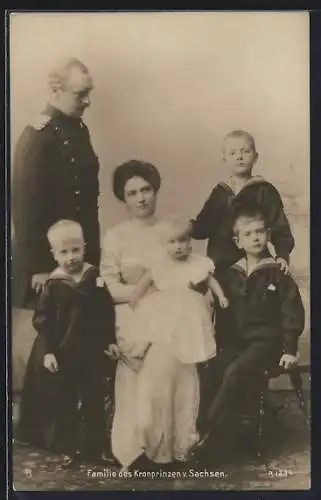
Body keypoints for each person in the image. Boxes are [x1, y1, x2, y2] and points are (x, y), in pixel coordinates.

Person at [101, 160, 201, 471]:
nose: (141, 198)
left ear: (156, 191)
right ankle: (138, 447)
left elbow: (189, 272)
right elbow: (109, 286)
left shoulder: (170, 230)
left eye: (146, 190)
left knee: (170, 356)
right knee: (140, 355)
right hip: (129, 312)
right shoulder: (116, 236)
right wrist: (137, 293)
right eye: (132, 193)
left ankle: (173, 446)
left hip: (168, 312)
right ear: (123, 197)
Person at [190, 204, 305, 465]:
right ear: (237, 241)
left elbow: (291, 313)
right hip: (235, 343)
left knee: (236, 371)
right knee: (211, 368)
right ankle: (203, 430)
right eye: (248, 233)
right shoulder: (231, 274)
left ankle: (212, 436)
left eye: (260, 232)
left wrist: (289, 348)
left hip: (266, 344)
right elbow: (218, 305)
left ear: (267, 235)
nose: (255, 237)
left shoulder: (278, 272)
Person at [11, 58, 100, 392]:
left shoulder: (79, 129)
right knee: (50, 337)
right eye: (81, 94)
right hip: (50, 256)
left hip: (79, 248)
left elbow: (87, 199)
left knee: (77, 332)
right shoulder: (38, 136)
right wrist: (36, 266)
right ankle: (43, 421)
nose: (87, 101)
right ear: (55, 90)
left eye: (90, 92)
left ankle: (73, 418)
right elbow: (25, 207)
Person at [15, 220, 117, 468]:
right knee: (67, 401)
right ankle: (71, 448)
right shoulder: (54, 285)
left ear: (84, 247)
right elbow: (43, 321)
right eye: (63, 252)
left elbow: (105, 312)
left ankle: (97, 447)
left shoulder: (95, 278)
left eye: (75, 250)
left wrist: (110, 341)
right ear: (53, 254)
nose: (70, 257)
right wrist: (49, 351)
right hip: (65, 352)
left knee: (94, 399)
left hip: (92, 352)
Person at [125, 216, 229, 366]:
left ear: (189, 242)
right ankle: (145, 346)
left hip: (190, 305)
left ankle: (196, 362)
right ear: (164, 244)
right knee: (156, 322)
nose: (178, 246)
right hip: (167, 304)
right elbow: (145, 281)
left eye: (183, 241)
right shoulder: (162, 264)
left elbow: (210, 280)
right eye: (172, 242)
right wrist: (136, 296)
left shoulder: (197, 263)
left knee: (193, 332)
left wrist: (221, 296)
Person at [192, 129, 295, 273]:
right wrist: (186, 227)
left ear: (255, 157)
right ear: (224, 159)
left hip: (254, 260)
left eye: (245, 151)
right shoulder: (220, 192)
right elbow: (204, 226)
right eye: (233, 153)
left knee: (259, 291)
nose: (239, 157)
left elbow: (279, 227)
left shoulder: (264, 190)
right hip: (221, 261)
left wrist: (282, 254)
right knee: (225, 294)